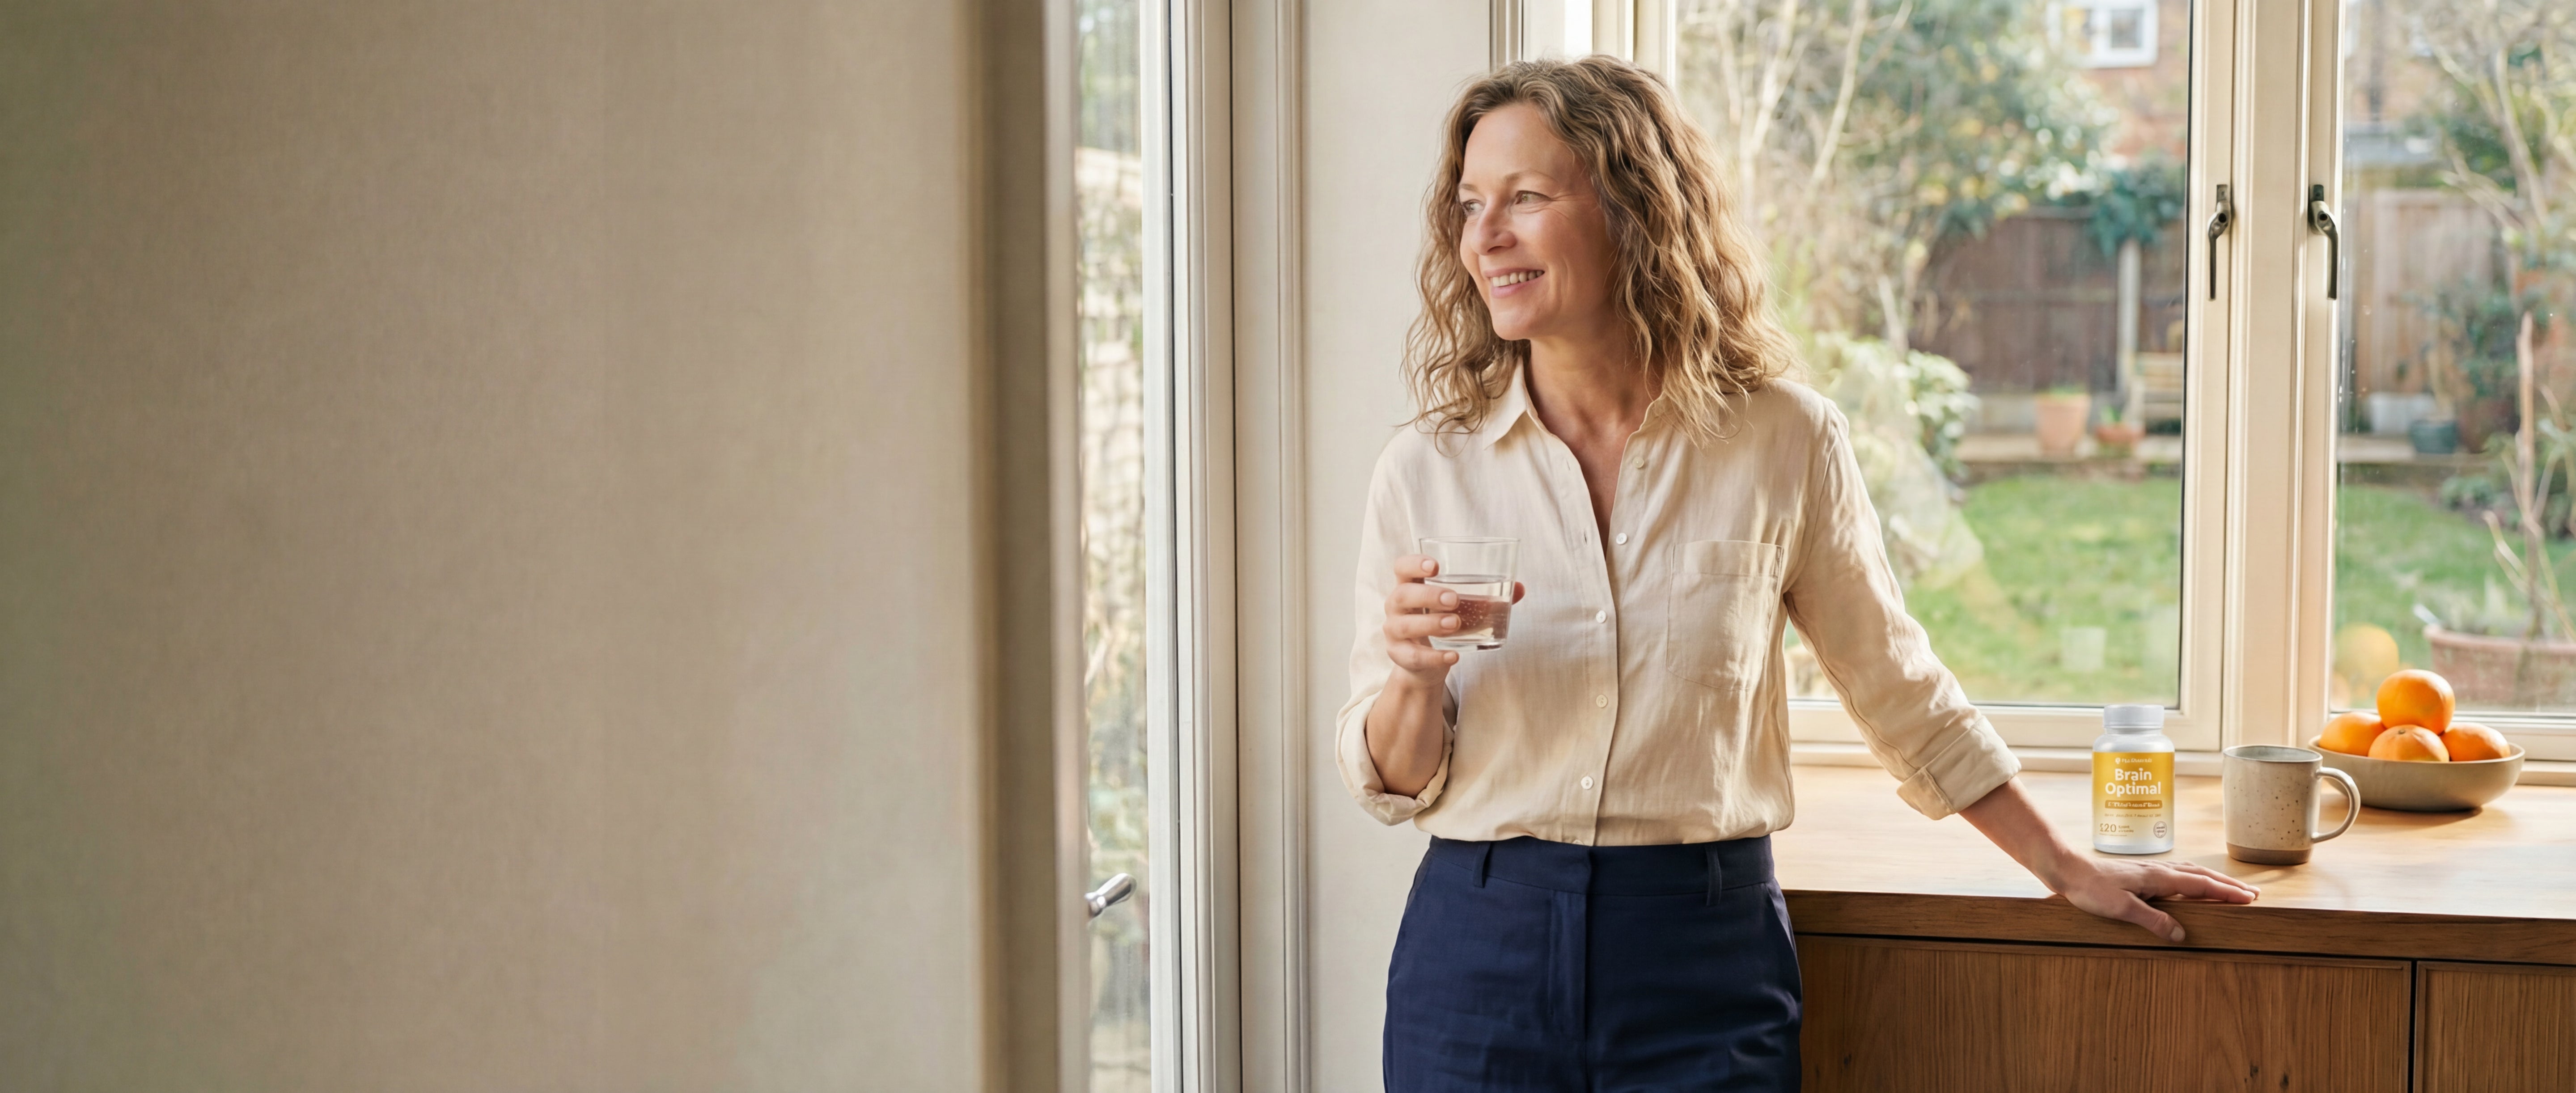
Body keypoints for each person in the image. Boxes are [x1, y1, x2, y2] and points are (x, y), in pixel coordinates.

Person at [1334, 56, 2260, 1092]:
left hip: (1701, 953)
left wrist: (2065, 862)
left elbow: (1899, 688)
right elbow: (1393, 779)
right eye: (1469, 205)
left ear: (1633, 207)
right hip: (1478, 952)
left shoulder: (1782, 441)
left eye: (1526, 199)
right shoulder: (1429, 466)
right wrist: (1415, 678)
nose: (1484, 236)